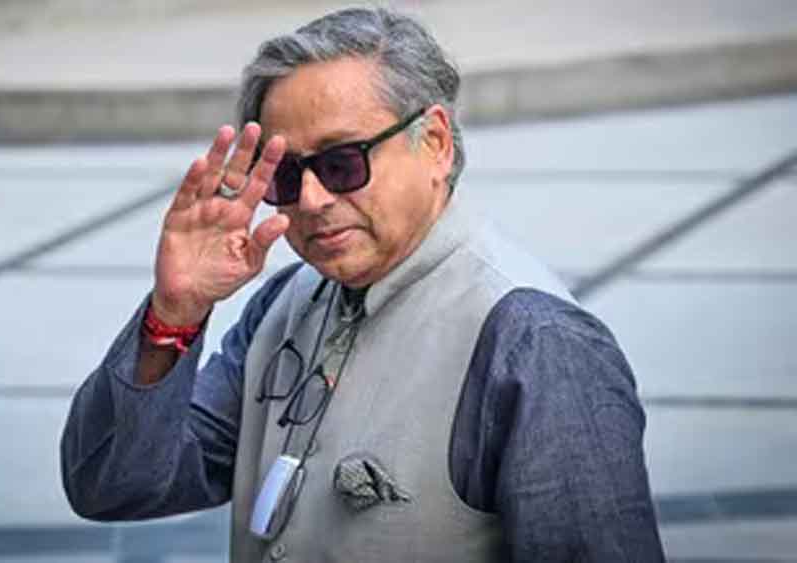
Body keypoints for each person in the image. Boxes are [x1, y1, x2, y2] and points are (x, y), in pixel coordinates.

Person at [61, 7, 665, 562]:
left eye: (342, 162)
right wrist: (175, 314)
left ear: (434, 143)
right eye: (287, 176)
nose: (313, 200)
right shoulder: (286, 303)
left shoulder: (536, 343)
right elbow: (114, 486)